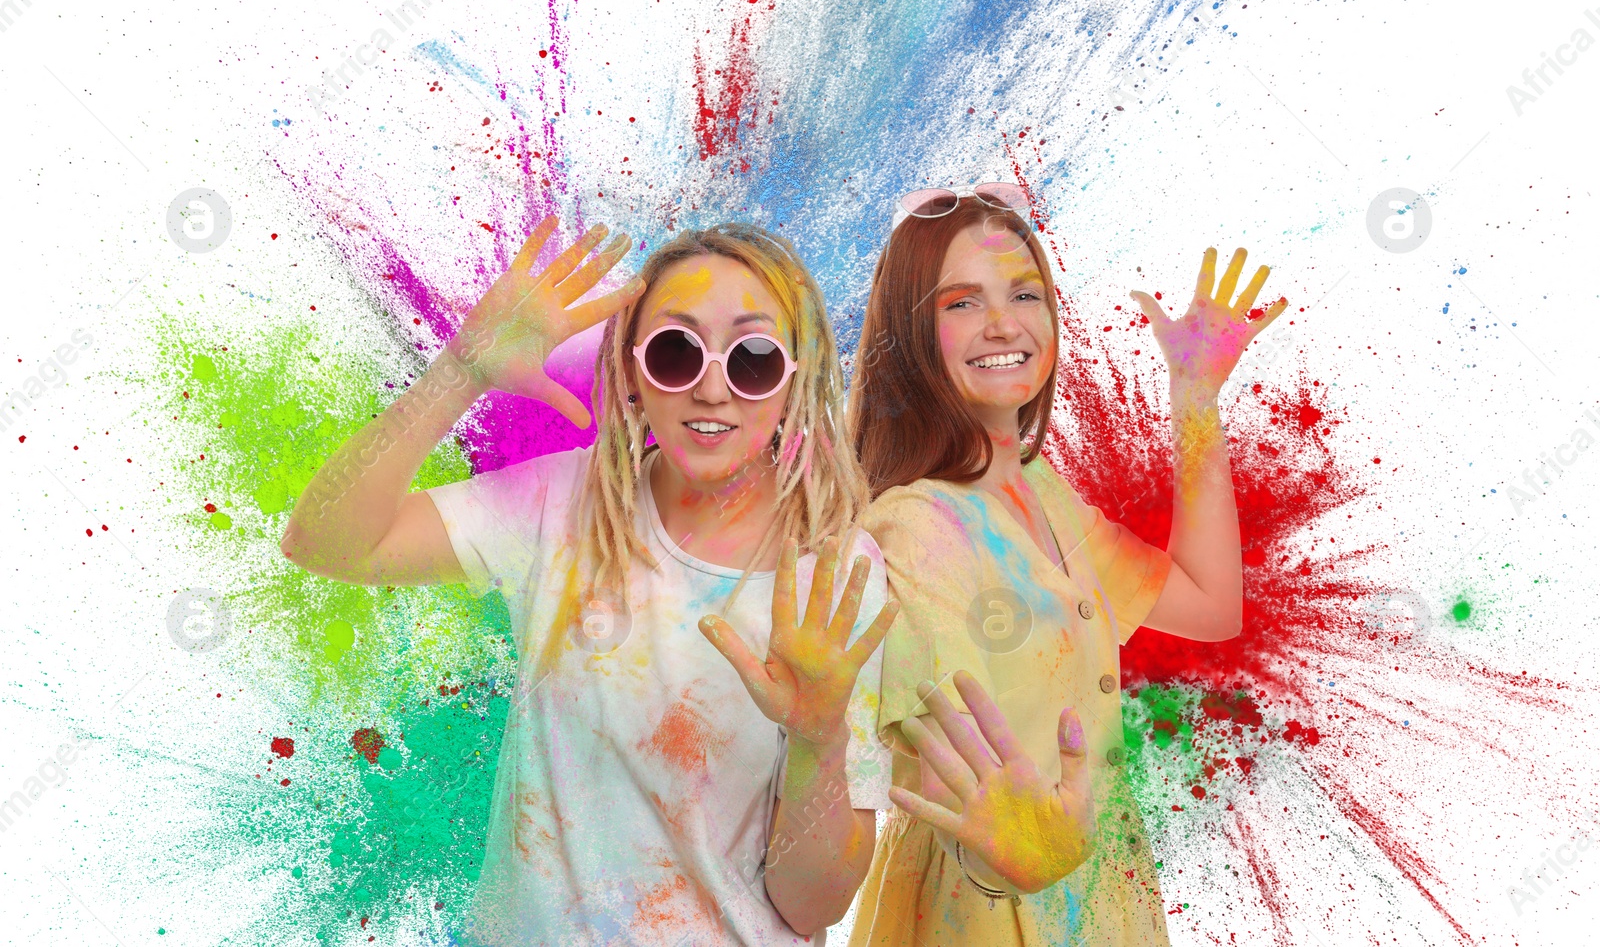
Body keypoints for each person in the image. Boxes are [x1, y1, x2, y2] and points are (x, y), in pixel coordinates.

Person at [281, 216, 899, 946]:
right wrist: (460, 372)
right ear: (635, 375)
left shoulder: (838, 573)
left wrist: (820, 738)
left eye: (752, 356)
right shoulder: (559, 506)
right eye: (677, 351)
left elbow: (813, 906)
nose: (710, 387)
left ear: (796, 378)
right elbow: (325, 542)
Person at [842, 185, 1287, 946]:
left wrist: (1196, 400)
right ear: (911, 335)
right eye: (960, 302)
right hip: (988, 911)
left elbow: (1211, 606)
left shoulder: (1042, 493)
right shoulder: (915, 528)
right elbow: (962, 791)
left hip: (1098, 895)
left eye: (1024, 292)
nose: (1002, 323)